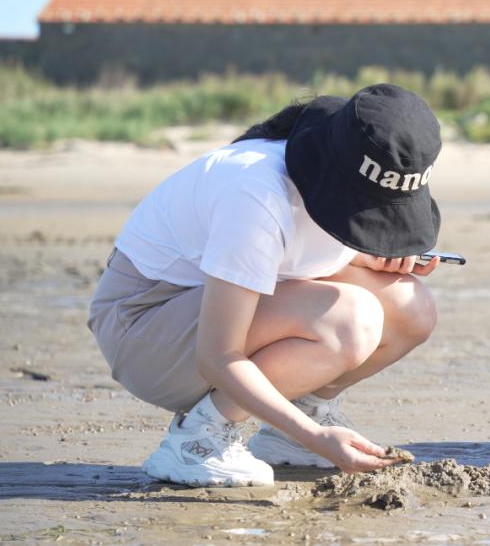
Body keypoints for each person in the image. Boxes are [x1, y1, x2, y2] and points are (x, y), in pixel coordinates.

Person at [88, 84, 444, 487]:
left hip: (205, 305)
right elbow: (216, 355)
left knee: (412, 306)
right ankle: (198, 442)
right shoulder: (255, 192)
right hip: (142, 330)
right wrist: (316, 439)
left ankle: (295, 423)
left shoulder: (324, 158)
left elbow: (294, 246)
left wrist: (372, 252)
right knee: (350, 319)